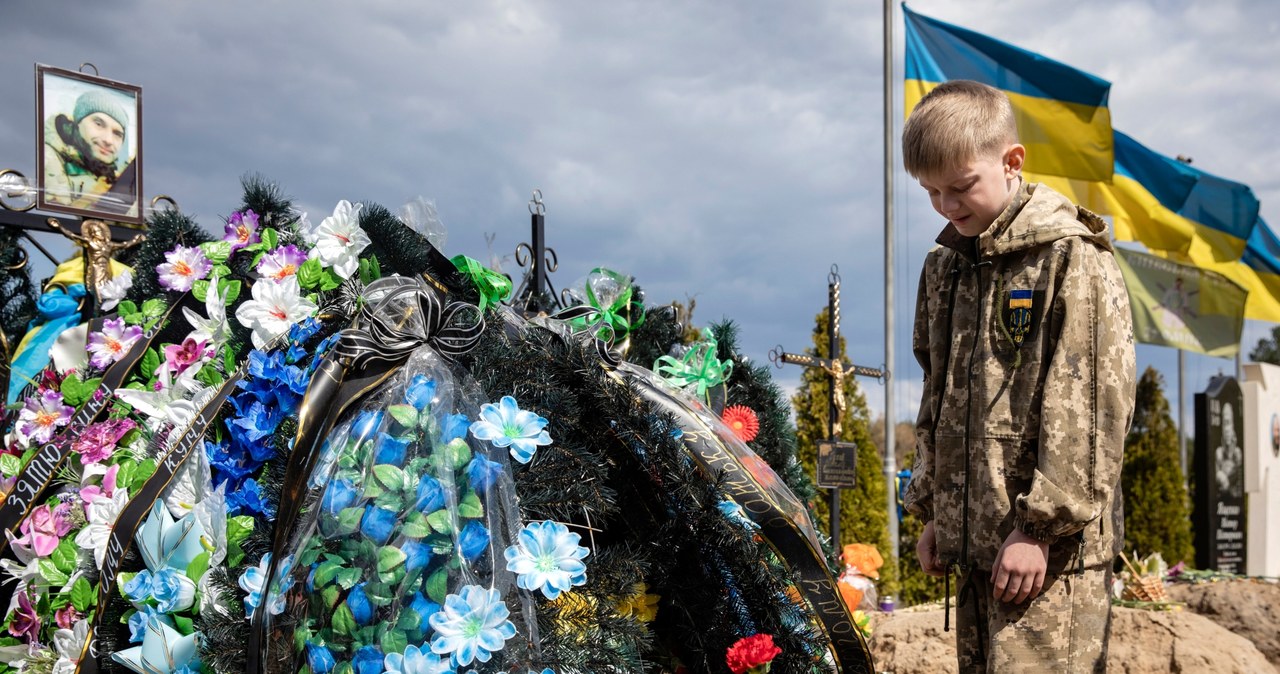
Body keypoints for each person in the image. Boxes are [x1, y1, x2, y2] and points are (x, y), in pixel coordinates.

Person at [901, 80, 1136, 673]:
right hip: (978, 553)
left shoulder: (1069, 256)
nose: (948, 206)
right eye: (931, 192)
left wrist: (1041, 528)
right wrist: (935, 511)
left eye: (961, 186)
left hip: (1048, 560)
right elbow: (938, 394)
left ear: (1012, 162)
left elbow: (1091, 403)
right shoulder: (946, 266)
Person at [42, 89, 138, 217]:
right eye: (98, 124)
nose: (108, 140)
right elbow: (66, 219)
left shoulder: (112, 174)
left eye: (117, 134)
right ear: (77, 122)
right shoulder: (49, 156)